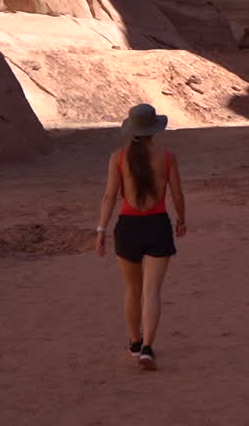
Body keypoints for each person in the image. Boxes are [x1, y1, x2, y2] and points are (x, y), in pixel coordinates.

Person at [95, 103, 188, 370]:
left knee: (132, 290)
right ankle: (148, 348)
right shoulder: (168, 157)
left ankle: (134, 343)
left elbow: (110, 196)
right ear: (154, 129)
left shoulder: (118, 157)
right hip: (157, 225)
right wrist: (182, 220)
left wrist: (101, 229)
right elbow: (177, 194)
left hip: (128, 228)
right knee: (151, 291)